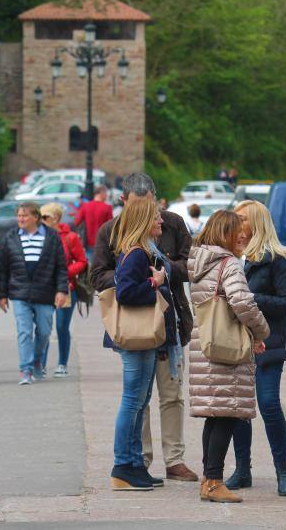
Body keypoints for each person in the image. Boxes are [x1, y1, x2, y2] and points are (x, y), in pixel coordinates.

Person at [91, 173, 199, 483]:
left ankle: (173, 459)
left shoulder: (173, 223)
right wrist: (139, 278)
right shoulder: (110, 232)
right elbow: (98, 276)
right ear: (124, 202)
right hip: (137, 325)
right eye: (140, 207)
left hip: (171, 320)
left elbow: (190, 264)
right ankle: (138, 459)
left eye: (150, 205)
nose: (153, 216)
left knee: (171, 393)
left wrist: (162, 270)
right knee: (138, 397)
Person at [188, 210, 270, 503]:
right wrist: (261, 331)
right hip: (226, 349)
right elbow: (242, 303)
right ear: (225, 233)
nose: (243, 236)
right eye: (238, 232)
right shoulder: (229, 264)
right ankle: (214, 482)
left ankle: (207, 480)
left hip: (205, 343)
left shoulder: (198, 261)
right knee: (225, 414)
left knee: (214, 415)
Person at [228, 200, 286, 497]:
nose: (237, 223)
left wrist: (252, 298)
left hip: (269, 341)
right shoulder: (231, 257)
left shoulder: (278, 259)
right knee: (240, 410)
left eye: (241, 218)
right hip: (236, 343)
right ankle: (242, 470)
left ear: (255, 222)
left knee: (268, 404)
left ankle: (284, 472)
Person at [105, 197, 167, 491]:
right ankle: (123, 465)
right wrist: (155, 283)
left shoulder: (140, 252)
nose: (161, 222)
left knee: (139, 402)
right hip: (136, 337)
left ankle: (133, 464)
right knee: (132, 401)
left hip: (141, 338)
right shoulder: (137, 254)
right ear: (144, 221)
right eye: (156, 218)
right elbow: (126, 293)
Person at [0, 201, 68, 385]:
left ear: (35, 217)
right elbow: (3, 269)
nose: (20, 219)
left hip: (45, 292)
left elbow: (61, 266)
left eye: (24, 215)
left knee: (44, 332)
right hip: (20, 293)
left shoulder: (52, 236)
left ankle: (37, 359)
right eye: (19, 215)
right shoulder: (10, 237)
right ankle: (26, 369)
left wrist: (61, 290)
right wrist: (1, 294)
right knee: (24, 332)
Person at [40, 202, 88, 377]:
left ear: (56, 218)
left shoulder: (70, 237)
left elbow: (83, 261)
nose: (42, 221)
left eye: (46, 217)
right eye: (40, 217)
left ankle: (62, 364)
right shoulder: (38, 236)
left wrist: (64, 272)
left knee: (61, 327)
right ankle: (41, 365)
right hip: (44, 288)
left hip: (66, 288)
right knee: (43, 326)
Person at [75, 185, 113, 259]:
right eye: (106, 194)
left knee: (90, 265)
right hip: (102, 243)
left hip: (87, 243)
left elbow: (76, 222)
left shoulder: (85, 206)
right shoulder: (107, 207)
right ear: (101, 193)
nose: (107, 196)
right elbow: (111, 227)